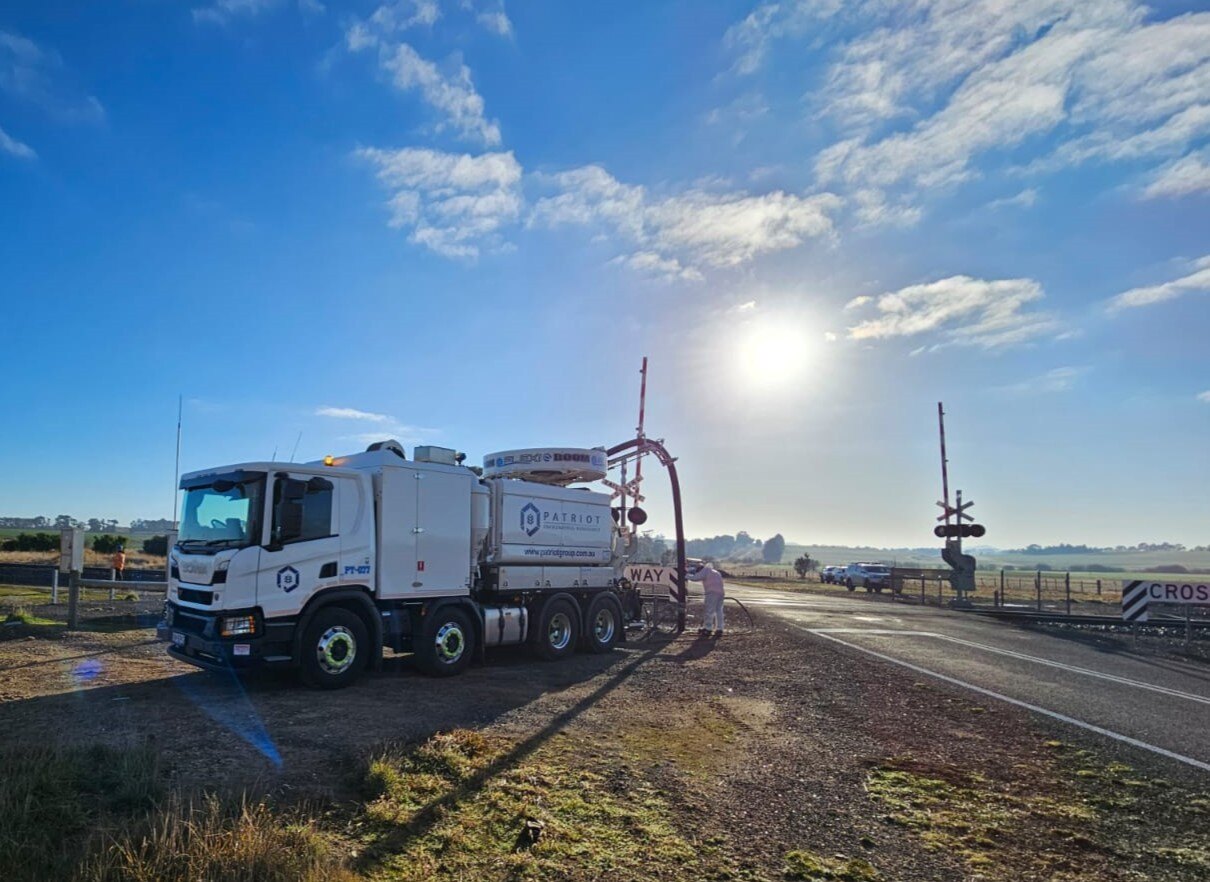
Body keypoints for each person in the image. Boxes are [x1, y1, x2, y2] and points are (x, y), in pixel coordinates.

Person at [687, 559, 725, 637]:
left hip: (711, 593)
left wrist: (685, 575)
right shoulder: (716, 572)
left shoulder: (705, 571)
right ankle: (719, 629)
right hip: (721, 593)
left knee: (709, 611)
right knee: (719, 611)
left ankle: (708, 629)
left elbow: (695, 578)